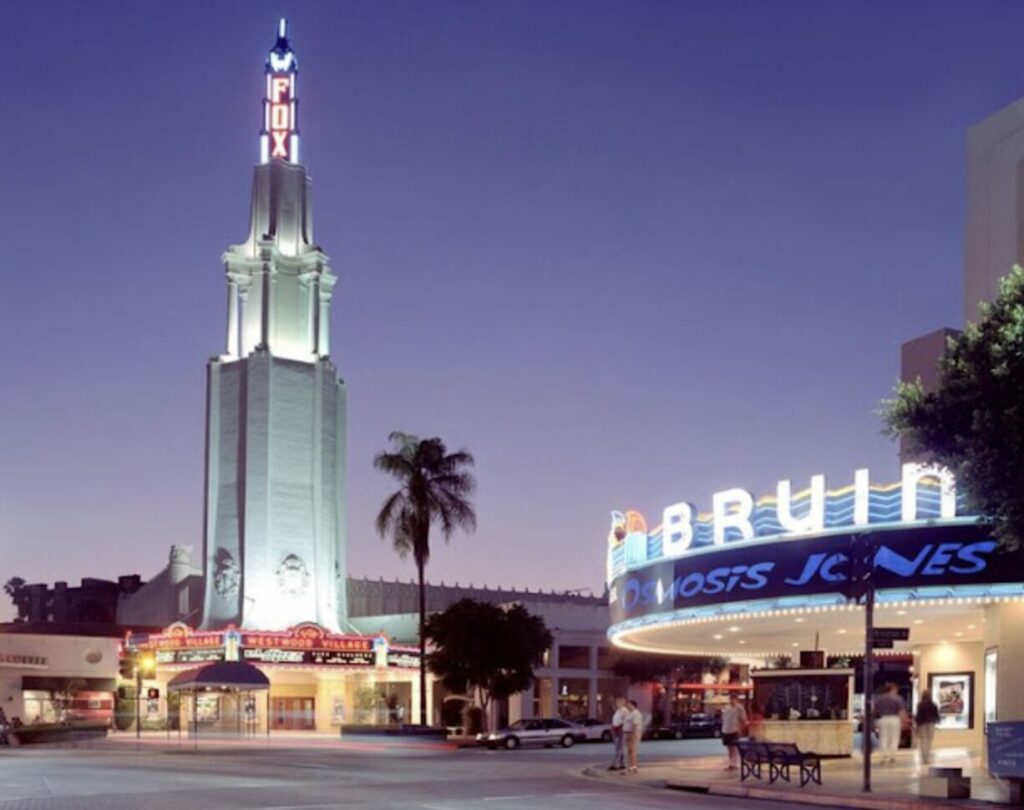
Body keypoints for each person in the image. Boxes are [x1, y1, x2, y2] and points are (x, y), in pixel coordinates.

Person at [874, 683, 907, 765]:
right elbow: (901, 711)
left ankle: (883, 756)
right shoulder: (898, 698)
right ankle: (892, 756)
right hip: (894, 719)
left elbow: (875, 710)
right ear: (892, 689)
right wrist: (903, 722)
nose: (897, 691)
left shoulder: (879, 699)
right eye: (896, 689)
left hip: (883, 719)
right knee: (894, 738)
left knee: (883, 738)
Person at [720, 695, 748, 770]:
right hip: (726, 730)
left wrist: (741, 729)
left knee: (734, 747)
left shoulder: (739, 708)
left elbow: (743, 719)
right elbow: (723, 718)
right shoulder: (726, 707)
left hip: (734, 730)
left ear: (736, 699)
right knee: (729, 748)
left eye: (733, 699)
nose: (732, 700)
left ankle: (735, 763)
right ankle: (731, 763)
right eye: (731, 699)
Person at [915, 689, 940, 765]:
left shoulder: (920, 705)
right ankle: (927, 757)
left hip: (922, 724)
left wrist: (917, 725)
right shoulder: (933, 704)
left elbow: (918, 715)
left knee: (923, 741)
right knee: (929, 740)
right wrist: (937, 721)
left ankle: (924, 757)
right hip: (931, 723)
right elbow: (936, 715)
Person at [622, 699, 644, 774]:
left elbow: (635, 725)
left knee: (632, 751)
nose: (628, 706)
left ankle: (632, 767)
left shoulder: (636, 714)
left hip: (633, 733)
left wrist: (632, 735)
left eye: (629, 704)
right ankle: (632, 766)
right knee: (630, 751)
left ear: (633, 705)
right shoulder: (630, 713)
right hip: (628, 733)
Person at [608, 698, 627, 771]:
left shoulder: (624, 711)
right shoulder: (618, 711)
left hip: (620, 730)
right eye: (617, 702)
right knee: (619, 747)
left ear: (623, 703)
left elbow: (625, 720)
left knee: (618, 748)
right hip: (616, 729)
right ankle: (622, 763)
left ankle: (615, 764)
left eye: (619, 702)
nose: (617, 703)